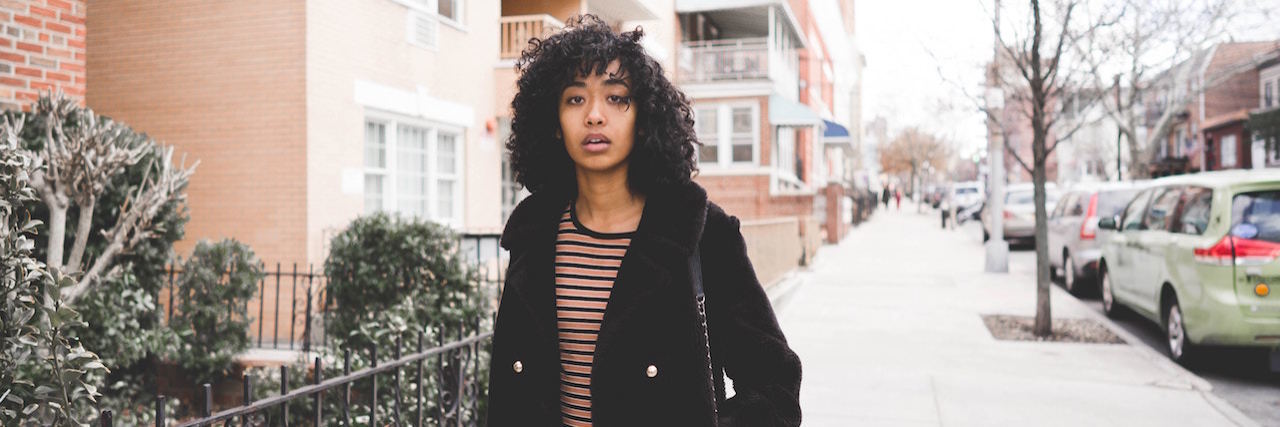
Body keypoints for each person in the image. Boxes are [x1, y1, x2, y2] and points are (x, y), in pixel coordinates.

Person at [488, 15, 801, 427]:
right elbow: (509, 395)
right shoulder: (534, 235)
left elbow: (775, 387)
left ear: (645, 115)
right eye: (575, 99)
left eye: (617, 97)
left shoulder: (702, 234)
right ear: (553, 119)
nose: (595, 115)